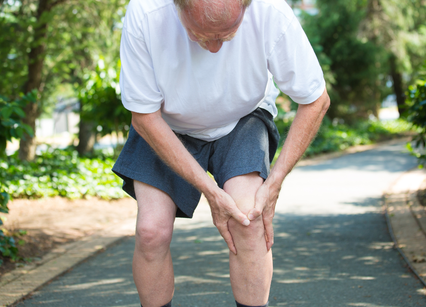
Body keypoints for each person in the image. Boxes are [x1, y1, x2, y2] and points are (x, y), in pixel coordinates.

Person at [112, 0, 330, 305]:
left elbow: (315, 99)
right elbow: (144, 116)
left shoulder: (271, 11)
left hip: (243, 116)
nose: (213, 49)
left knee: (248, 221)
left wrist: (275, 180)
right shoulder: (146, 12)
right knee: (151, 232)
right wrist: (209, 191)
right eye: (200, 36)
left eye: (227, 36)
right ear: (178, 7)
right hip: (166, 123)